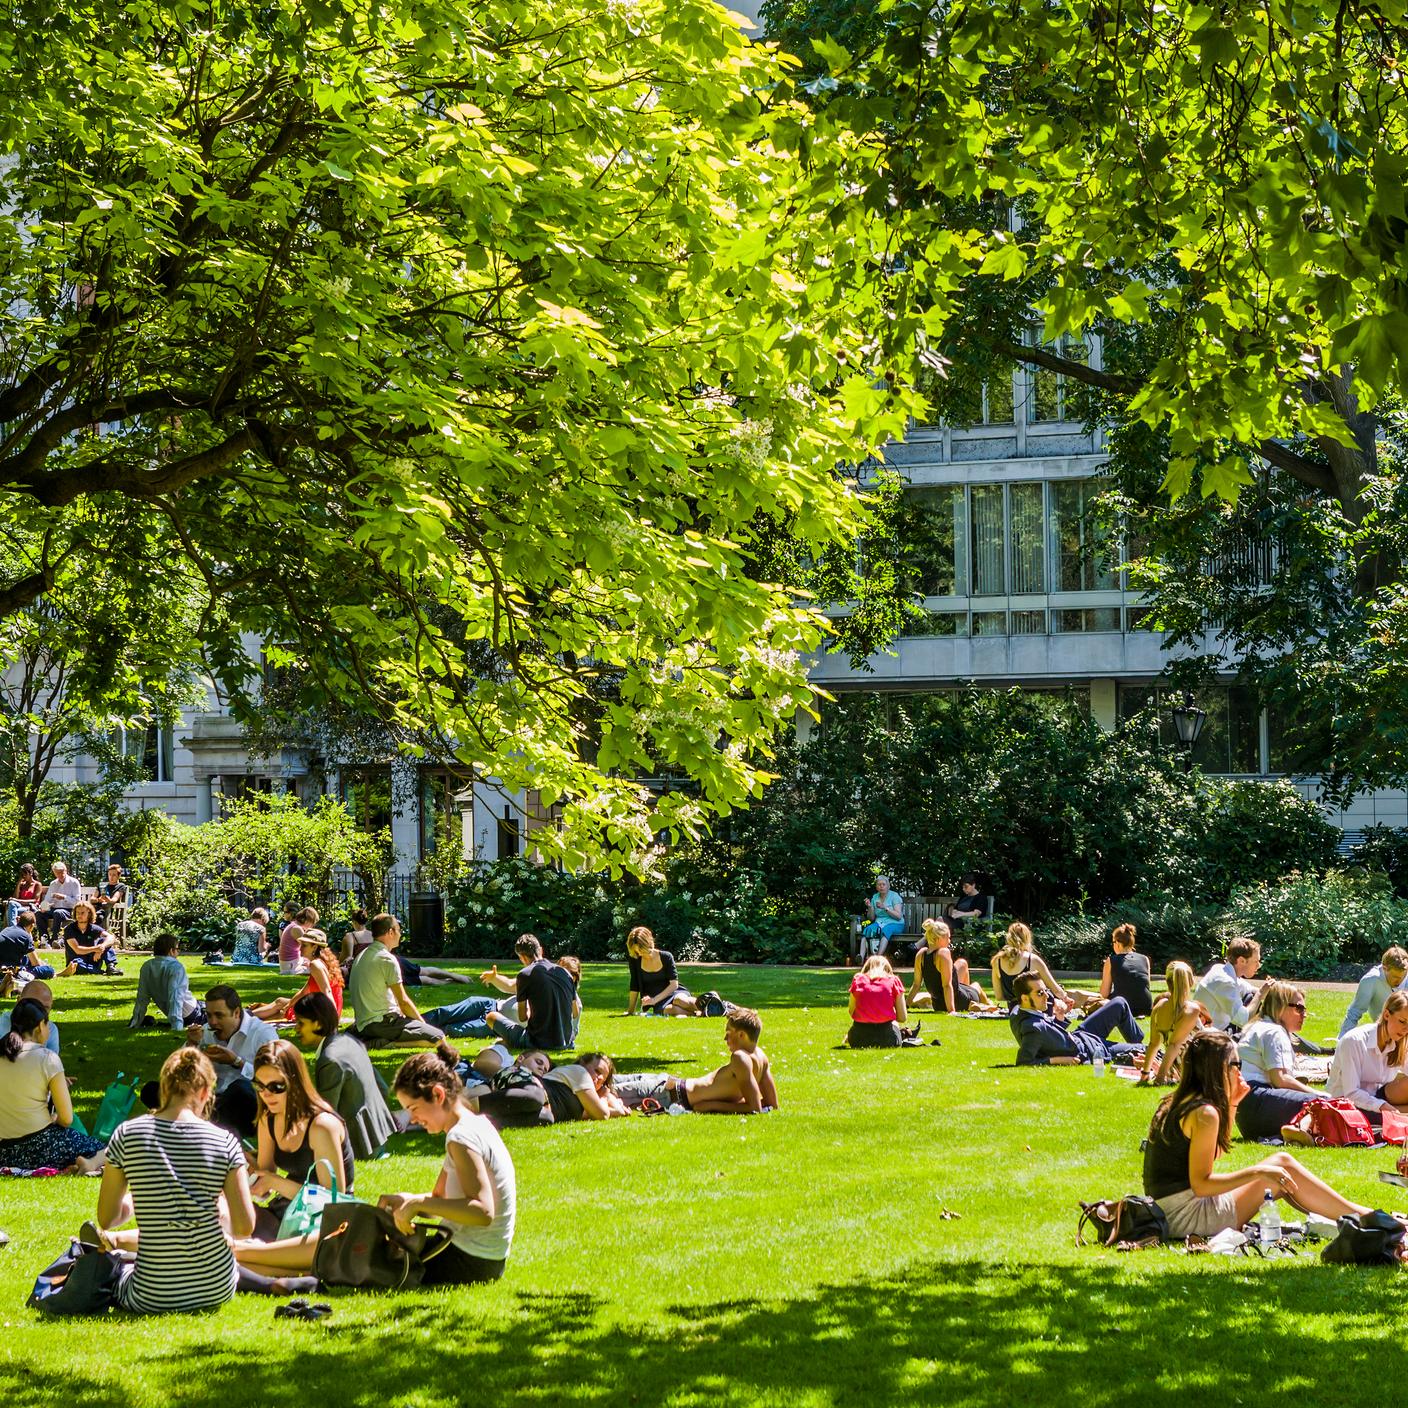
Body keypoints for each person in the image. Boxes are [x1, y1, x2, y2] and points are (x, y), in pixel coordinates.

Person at [239, 1043, 518, 1285]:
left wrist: (418, 1205)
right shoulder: (473, 1126)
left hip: (466, 1261)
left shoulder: (461, 1138)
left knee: (347, 1248)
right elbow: (440, 1200)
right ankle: (245, 1262)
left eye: (413, 1109)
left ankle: (238, 1254)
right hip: (475, 1256)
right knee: (352, 1244)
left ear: (438, 1095)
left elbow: (482, 1211)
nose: (413, 1119)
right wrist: (408, 1200)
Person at [1143, 1028, 1371, 1238]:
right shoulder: (1205, 1113)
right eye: (1237, 1064)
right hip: (1186, 1216)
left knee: (1281, 1166)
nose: (1240, 1071)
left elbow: (1215, 1154)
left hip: (1167, 1209)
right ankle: (1364, 1217)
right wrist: (1258, 1172)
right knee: (1281, 1166)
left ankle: (1357, 1217)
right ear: (1221, 1068)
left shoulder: (1179, 1101)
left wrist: (1233, 1102)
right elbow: (1202, 1184)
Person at [92, 1046, 257, 1313]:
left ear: (164, 1090)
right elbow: (243, 1228)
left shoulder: (128, 1134)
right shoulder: (225, 1141)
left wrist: (137, 1198)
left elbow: (108, 1218)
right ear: (205, 1093)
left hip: (151, 1293)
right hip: (217, 1286)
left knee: (115, 1270)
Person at [244, 1038, 354, 1238]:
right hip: (290, 1212)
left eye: (276, 1087)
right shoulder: (268, 1119)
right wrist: (247, 1169)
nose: (266, 1095)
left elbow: (333, 1199)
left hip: (327, 1224)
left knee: (243, 1248)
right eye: (260, 1086)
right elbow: (265, 1179)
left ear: (295, 1082)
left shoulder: (321, 1126)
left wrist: (274, 1183)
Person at [290, 991, 400, 1160]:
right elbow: (382, 1088)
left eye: (300, 1023)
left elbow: (326, 1114)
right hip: (379, 1137)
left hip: (359, 1145)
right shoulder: (350, 1040)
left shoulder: (330, 1059)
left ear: (317, 1024)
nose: (296, 1028)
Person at [0, 996, 104, 1172]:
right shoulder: (47, 1058)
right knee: (107, 1149)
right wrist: (54, 1119)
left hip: (5, 1151)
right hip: (41, 1146)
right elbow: (66, 1119)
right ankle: (88, 1164)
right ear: (41, 1025)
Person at [190, 984, 279, 1141]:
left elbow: (276, 1082)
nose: (213, 1022)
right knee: (153, 1089)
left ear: (237, 1013)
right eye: (208, 1015)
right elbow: (179, 1072)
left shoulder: (263, 1034)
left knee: (240, 1088)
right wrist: (192, 1045)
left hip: (250, 1105)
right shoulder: (205, 1033)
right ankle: (202, 1123)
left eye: (219, 1015)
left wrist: (237, 1062)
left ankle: (198, 1125)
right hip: (215, 1100)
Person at [1233, 980, 1319, 1140]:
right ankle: (1301, 1131)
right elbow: (1280, 1079)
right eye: (1299, 1008)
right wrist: (1320, 1094)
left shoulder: (1261, 1026)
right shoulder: (1274, 1032)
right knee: (1321, 1102)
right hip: (1257, 1099)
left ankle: (1297, 1132)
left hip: (1246, 1112)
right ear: (1281, 1007)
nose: (1304, 1014)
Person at [347, 912, 444, 1047]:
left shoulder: (362, 955)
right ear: (390, 932)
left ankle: (376, 1040)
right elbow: (403, 1002)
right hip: (382, 1023)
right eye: (398, 930)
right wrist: (421, 1024)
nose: (400, 934)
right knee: (438, 1037)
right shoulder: (386, 959)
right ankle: (385, 1044)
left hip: (362, 1024)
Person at [1009, 972, 1143, 1066]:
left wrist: (1059, 1018)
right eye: (1040, 993)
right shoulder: (1032, 1027)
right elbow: (1024, 1061)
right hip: (1089, 1049)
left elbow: (1049, 1039)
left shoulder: (1019, 1012)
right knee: (1146, 1049)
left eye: (1046, 991)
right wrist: (1059, 1060)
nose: (1046, 996)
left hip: (1081, 1035)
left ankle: (1136, 1044)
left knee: (1119, 1003)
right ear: (1024, 998)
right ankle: (1140, 1050)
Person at [469, 1051, 630, 1126]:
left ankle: (479, 1122)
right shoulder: (578, 1073)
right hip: (526, 1083)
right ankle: (468, 1106)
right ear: (582, 1065)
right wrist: (604, 1098)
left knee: (545, 1118)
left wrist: (617, 1108)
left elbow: (593, 1113)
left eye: (603, 1078)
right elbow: (601, 1114)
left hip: (539, 1106)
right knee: (535, 1097)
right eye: (597, 1070)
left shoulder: (581, 1100)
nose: (599, 1078)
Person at [664, 1008, 778, 1113]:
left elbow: (754, 1108)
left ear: (741, 1035)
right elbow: (771, 1104)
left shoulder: (740, 1057)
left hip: (675, 1095)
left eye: (728, 1033)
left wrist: (711, 1106)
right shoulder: (762, 1057)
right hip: (674, 1088)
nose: (725, 1038)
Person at [1325, 991, 1408, 1127]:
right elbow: (1351, 1093)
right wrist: (1384, 1107)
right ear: (1387, 1015)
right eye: (1402, 1021)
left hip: (1377, 1097)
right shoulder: (1354, 1041)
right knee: (1395, 1115)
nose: (1406, 1029)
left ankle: (1396, 1118)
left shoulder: (1400, 1042)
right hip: (1347, 1104)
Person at [483, 934, 576, 1050]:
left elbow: (522, 1017)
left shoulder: (525, 974)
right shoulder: (564, 972)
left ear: (522, 957)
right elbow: (575, 1012)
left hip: (537, 1042)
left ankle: (507, 1041)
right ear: (541, 950)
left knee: (491, 1016)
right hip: (567, 1042)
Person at [989, 922, 1097, 1012]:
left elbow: (999, 996)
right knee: (1075, 994)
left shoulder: (996, 961)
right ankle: (1104, 1001)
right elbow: (1056, 990)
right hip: (1039, 1005)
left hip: (1014, 1008)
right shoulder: (1032, 960)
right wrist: (1066, 998)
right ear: (1027, 938)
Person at [250, 928, 343, 1022]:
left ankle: (245, 1017)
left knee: (280, 1005)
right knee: (281, 1003)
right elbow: (304, 991)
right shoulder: (321, 962)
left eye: (304, 945)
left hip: (325, 1011)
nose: (300, 948)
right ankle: (249, 1017)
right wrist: (288, 1005)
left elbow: (327, 991)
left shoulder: (316, 964)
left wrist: (333, 1017)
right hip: (322, 1007)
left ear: (314, 947)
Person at [1138, 961, 1207, 1086]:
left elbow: (1154, 1043)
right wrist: (1159, 1078)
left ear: (1168, 982)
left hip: (1173, 1070)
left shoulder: (1159, 1006)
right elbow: (1174, 1045)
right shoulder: (1192, 1009)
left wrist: (1145, 1073)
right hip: (1194, 1070)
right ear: (1190, 982)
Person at [908, 917, 992, 1013]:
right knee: (976, 986)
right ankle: (987, 1006)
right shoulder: (943, 953)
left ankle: (973, 1002)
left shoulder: (921, 954)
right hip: (956, 1002)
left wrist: (906, 1005)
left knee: (962, 963)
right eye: (948, 938)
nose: (949, 941)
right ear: (940, 938)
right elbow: (947, 985)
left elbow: (916, 984)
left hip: (938, 1005)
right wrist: (951, 1011)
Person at [128, 933, 203, 1030]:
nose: (178, 953)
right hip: (191, 1013)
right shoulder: (176, 967)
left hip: (183, 1012)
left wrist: (135, 1022)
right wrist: (177, 1026)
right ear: (171, 951)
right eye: (177, 949)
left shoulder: (147, 966)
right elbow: (176, 996)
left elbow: (142, 997)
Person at [1191, 937, 1262, 1033]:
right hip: (1209, 1036)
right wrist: (1261, 994)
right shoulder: (1225, 981)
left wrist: (1275, 989)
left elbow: (1249, 989)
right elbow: (1244, 1019)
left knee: (1250, 996)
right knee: (1254, 1000)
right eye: (1256, 961)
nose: (1259, 965)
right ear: (1241, 960)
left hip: (1215, 1028)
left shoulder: (1222, 970)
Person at [624, 925, 698, 1016]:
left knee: (680, 1000)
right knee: (669, 1010)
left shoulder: (666, 957)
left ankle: (711, 1004)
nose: (639, 953)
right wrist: (630, 1011)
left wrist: (655, 999)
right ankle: (701, 1013)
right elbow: (634, 985)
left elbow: (674, 985)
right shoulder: (635, 960)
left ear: (648, 943)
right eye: (636, 951)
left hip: (674, 992)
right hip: (657, 1002)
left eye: (641, 950)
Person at [1339, 946, 1408, 1037]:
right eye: (1395, 977)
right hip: (1382, 1033)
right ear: (1384, 968)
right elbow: (1355, 1012)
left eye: (1403, 977)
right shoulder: (1371, 980)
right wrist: (1342, 1040)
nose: (1399, 981)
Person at [846, 954, 907, 1047]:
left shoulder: (858, 980)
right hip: (888, 1039)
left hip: (858, 1038)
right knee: (894, 1022)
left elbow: (851, 1011)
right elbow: (902, 1017)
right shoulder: (894, 980)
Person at [1099, 923, 1152, 1017]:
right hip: (1146, 1007)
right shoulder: (1145, 959)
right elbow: (1146, 985)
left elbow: (1104, 993)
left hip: (1122, 1007)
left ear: (1118, 943)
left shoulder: (1111, 960)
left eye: (1113, 942)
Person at [59, 901, 120, 976]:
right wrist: (95, 949)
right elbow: (77, 949)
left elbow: (111, 937)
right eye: (77, 913)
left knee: (104, 940)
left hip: (93, 959)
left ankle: (111, 967)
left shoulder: (93, 928)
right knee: (76, 964)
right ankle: (100, 972)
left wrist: (102, 947)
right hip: (78, 961)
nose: (79, 915)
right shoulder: (69, 929)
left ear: (89, 914)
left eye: (82, 913)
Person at [0, 979, 59, 1053]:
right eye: (34, 1005)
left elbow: (52, 1061)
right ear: (18, 1002)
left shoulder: (51, 1029)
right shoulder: (2, 1023)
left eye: (46, 1008)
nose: (41, 1012)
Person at [858, 875, 905, 958]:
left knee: (885, 930)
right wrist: (870, 907)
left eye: (883, 884)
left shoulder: (894, 896)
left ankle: (878, 958)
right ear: (876, 887)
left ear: (888, 886)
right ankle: (861, 957)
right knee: (867, 930)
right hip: (879, 923)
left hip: (895, 923)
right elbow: (871, 918)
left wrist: (885, 908)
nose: (881, 886)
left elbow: (898, 916)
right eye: (879, 884)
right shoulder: (875, 897)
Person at [0, 909, 54, 980]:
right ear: (32, 925)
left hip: (5, 961)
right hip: (8, 969)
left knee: (26, 958)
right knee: (49, 970)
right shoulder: (26, 936)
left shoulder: (7, 929)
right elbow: (36, 963)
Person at [37, 860, 82, 943]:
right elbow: (47, 899)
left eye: (62, 872)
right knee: (39, 914)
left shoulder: (74, 882)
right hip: (54, 909)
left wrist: (64, 897)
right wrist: (43, 907)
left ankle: (55, 939)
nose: (60, 875)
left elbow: (77, 902)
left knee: (58, 912)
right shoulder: (53, 884)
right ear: (54, 873)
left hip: (69, 910)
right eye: (57, 873)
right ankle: (44, 939)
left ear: (66, 871)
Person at [278, 905, 315, 975]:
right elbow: (308, 948)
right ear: (307, 920)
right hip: (291, 967)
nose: (312, 926)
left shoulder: (293, 925)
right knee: (318, 969)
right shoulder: (296, 929)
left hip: (291, 963)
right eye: (312, 923)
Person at [94, 862, 128, 929]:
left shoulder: (121, 886)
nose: (111, 877)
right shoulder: (102, 885)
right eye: (109, 874)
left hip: (107, 910)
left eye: (114, 875)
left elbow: (114, 900)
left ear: (119, 876)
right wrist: (98, 900)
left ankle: (98, 936)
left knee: (99, 916)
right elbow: (92, 898)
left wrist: (107, 900)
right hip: (96, 908)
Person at [9, 861, 42, 926]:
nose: (23, 876)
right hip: (20, 905)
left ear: (31, 873)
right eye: (22, 874)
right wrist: (18, 884)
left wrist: (17, 900)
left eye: (25, 874)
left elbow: (34, 900)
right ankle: (13, 927)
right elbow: (15, 898)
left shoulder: (37, 884)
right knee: (11, 903)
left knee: (15, 912)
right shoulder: (22, 884)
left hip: (30, 907)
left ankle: (12, 928)